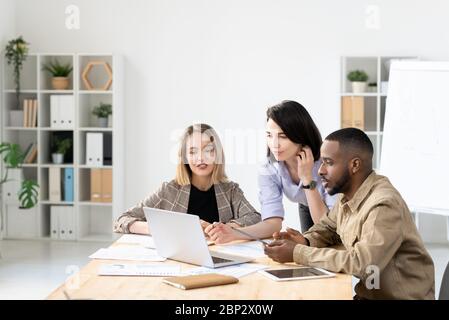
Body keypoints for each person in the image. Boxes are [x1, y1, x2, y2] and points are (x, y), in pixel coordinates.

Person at [264, 128, 435, 300]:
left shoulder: (383, 205)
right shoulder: (348, 196)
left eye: (328, 162)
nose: (320, 171)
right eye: (322, 162)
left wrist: (297, 252)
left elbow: (364, 264)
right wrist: (304, 240)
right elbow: (329, 228)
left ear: (354, 165)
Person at [205, 100, 335, 244]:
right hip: (306, 204)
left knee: (331, 246)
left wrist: (307, 178)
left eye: (283, 136)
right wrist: (234, 233)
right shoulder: (269, 167)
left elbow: (328, 228)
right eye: (269, 135)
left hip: (336, 213)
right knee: (309, 249)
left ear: (301, 136)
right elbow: (272, 223)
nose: (274, 144)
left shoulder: (327, 164)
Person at [113, 123, 261, 240]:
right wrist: (161, 228)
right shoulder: (168, 190)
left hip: (221, 259)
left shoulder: (230, 190)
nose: (200, 158)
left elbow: (255, 217)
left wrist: (226, 228)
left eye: (208, 150)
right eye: (192, 152)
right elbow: (121, 220)